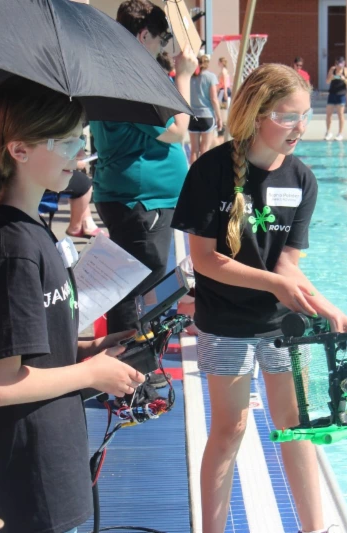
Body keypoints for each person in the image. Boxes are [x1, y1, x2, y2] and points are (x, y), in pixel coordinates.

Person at [0, 76, 144, 533]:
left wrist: (92, 351)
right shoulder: (15, 248)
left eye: (79, 139)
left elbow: (32, 350)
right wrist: (91, 374)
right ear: (19, 150)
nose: (78, 154)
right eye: (64, 142)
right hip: (32, 467)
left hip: (50, 449)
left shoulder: (32, 228)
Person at [171, 63, 347, 533]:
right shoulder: (210, 171)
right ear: (256, 113)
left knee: (297, 427)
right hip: (225, 321)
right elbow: (206, 261)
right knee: (229, 430)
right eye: (287, 116)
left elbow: (288, 265)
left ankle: (316, 528)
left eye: (304, 115)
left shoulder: (302, 179)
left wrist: (326, 306)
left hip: (282, 327)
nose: (300, 127)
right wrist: (275, 284)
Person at [89, 0, 197, 361]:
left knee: (133, 285)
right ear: (143, 34)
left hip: (138, 197)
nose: (164, 46)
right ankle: (127, 372)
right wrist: (184, 75)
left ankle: (129, 367)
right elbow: (175, 132)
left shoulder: (121, 71)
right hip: (140, 200)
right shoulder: (130, 77)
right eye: (162, 38)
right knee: (132, 289)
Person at [189, 54, 223, 163]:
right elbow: (214, 99)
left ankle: (191, 176)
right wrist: (219, 117)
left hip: (193, 116)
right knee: (205, 150)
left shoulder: (190, 76)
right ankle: (202, 177)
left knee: (194, 150)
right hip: (207, 115)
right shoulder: (210, 77)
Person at [324, 57, 347, 141]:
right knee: (328, 114)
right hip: (332, 93)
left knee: (340, 114)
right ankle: (328, 132)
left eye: (342, 64)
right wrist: (331, 77)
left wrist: (344, 79)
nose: (340, 66)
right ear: (336, 63)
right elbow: (327, 81)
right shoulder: (332, 69)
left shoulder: (346, 70)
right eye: (339, 64)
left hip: (341, 94)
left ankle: (340, 133)